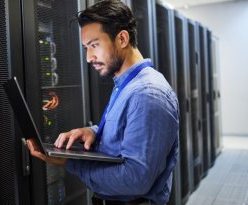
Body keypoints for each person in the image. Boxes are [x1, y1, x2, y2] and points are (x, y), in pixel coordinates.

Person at [26, 0, 179, 204]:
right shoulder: (127, 85)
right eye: (86, 48)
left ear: (122, 38)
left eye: (94, 45)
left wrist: (70, 162)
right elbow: (128, 130)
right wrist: (94, 132)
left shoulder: (148, 94)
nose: (89, 57)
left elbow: (135, 180)